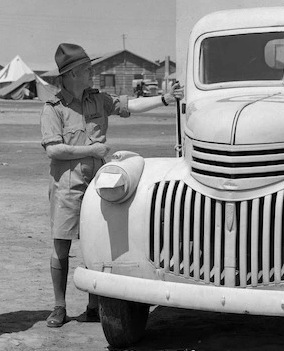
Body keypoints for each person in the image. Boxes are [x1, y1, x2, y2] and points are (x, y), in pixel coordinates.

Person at [40, 43, 184, 328]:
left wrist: (165, 99)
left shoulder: (97, 100)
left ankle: (95, 304)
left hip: (98, 187)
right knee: (61, 246)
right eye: (85, 70)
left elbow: (129, 105)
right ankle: (59, 306)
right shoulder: (53, 108)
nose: (91, 73)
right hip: (68, 186)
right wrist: (91, 151)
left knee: (96, 244)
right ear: (69, 75)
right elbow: (53, 150)